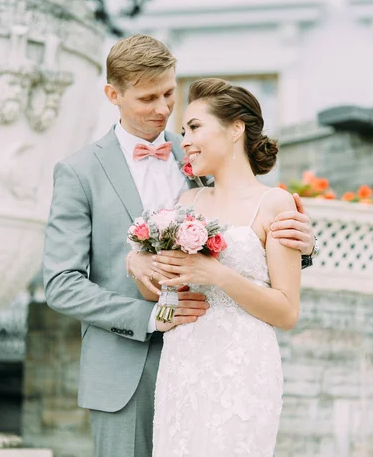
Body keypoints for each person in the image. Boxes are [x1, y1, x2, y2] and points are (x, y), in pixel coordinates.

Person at [43, 35, 316, 457]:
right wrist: (151, 313)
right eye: (147, 98)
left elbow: (242, 234)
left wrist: (303, 245)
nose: (162, 109)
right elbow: (60, 283)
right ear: (113, 95)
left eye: (169, 93)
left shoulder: (198, 151)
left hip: (217, 362)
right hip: (124, 369)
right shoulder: (78, 172)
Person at [136, 78, 302, 456]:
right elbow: (163, 292)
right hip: (182, 362)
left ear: (235, 129)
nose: (185, 140)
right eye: (182, 131)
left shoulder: (275, 204)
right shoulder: (185, 201)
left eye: (194, 127)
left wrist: (219, 276)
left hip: (242, 368)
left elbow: (287, 311)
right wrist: (142, 265)